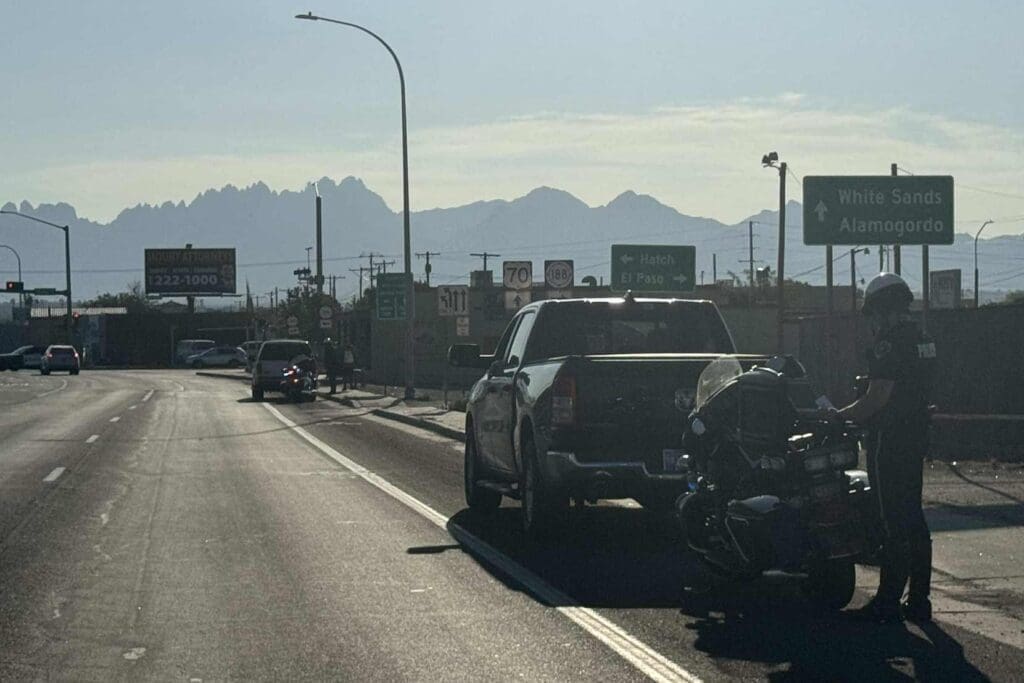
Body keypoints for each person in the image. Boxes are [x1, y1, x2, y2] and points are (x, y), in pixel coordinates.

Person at [837, 273, 936, 623]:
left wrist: (837, 417)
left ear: (881, 309)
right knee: (914, 516)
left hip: (890, 440)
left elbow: (877, 398)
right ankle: (919, 597)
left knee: (891, 517)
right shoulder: (923, 340)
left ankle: (888, 599)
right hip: (916, 436)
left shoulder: (889, 345)